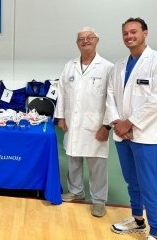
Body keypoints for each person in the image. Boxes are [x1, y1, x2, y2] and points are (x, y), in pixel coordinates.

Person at [55, 27, 113, 217]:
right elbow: (62, 93)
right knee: (73, 158)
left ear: (97, 40)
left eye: (90, 38)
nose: (85, 40)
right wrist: (61, 116)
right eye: (81, 38)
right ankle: (76, 191)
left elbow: (111, 100)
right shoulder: (69, 66)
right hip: (73, 121)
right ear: (77, 43)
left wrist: (107, 126)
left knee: (97, 164)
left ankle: (98, 200)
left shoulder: (107, 67)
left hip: (96, 125)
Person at [107, 17, 157, 240]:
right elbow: (110, 97)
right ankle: (138, 220)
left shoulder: (154, 61)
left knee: (149, 185)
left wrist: (131, 122)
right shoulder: (118, 66)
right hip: (122, 134)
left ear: (145, 33)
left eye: (134, 32)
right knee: (132, 181)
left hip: (145, 135)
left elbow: (155, 100)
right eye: (125, 33)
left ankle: (155, 231)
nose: (129, 36)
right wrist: (118, 123)